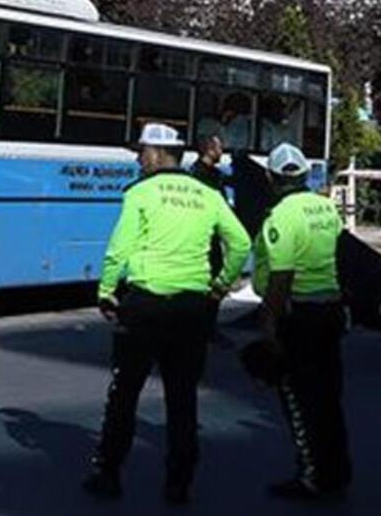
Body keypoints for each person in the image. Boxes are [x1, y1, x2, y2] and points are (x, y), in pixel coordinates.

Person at [83, 123, 252, 505]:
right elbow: (240, 243)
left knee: (124, 393)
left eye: (141, 152)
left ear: (158, 154)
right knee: (182, 398)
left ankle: (109, 473)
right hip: (192, 309)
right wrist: (220, 285)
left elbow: (118, 249)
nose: (139, 159)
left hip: (144, 305)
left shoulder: (140, 193)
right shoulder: (207, 194)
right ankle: (179, 483)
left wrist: (107, 291)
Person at [252, 143, 350, 501]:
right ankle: (337, 471)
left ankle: (312, 475)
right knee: (329, 397)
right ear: (306, 175)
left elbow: (281, 279)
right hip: (331, 311)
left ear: (271, 178)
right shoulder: (327, 208)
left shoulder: (280, 217)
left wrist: (269, 327)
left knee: (300, 400)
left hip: (300, 316)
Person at [188, 133, 233, 348]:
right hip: (207, 233)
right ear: (209, 150)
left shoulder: (198, 173)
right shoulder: (204, 176)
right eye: (218, 147)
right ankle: (206, 326)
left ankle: (204, 325)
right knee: (213, 276)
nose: (221, 150)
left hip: (208, 232)